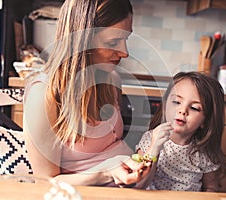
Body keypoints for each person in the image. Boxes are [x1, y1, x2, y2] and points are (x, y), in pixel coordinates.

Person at [23, 0, 151, 187]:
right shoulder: (43, 96)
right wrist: (108, 173)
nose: (125, 52)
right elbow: (45, 183)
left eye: (126, 39)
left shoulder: (110, 79)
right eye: (113, 42)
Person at [136, 71, 226, 191]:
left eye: (194, 108)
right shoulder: (149, 139)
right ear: (165, 107)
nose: (182, 110)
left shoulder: (205, 152)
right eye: (176, 102)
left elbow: (211, 188)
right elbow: (140, 184)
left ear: (205, 121)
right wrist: (154, 149)